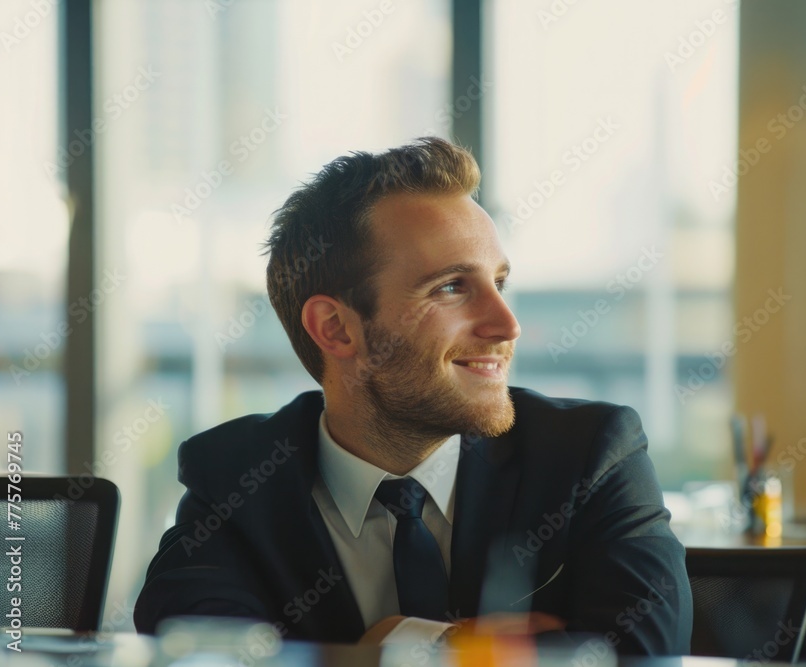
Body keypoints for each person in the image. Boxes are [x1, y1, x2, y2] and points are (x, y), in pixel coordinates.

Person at [134, 137, 692, 655]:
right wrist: (480, 649)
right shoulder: (236, 477)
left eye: (498, 283)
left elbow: (642, 654)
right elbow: (195, 646)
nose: (507, 324)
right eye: (452, 287)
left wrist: (395, 642)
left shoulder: (591, 455)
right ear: (335, 329)